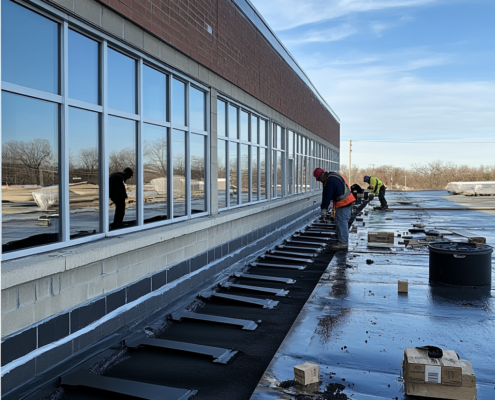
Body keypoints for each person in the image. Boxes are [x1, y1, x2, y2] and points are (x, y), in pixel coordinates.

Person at [314, 168, 355, 251]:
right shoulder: (332, 176)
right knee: (339, 221)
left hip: (344, 203)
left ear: (322, 175)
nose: (319, 181)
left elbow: (327, 196)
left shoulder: (330, 181)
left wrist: (324, 209)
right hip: (345, 202)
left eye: (319, 179)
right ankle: (341, 241)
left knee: (342, 222)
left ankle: (343, 243)